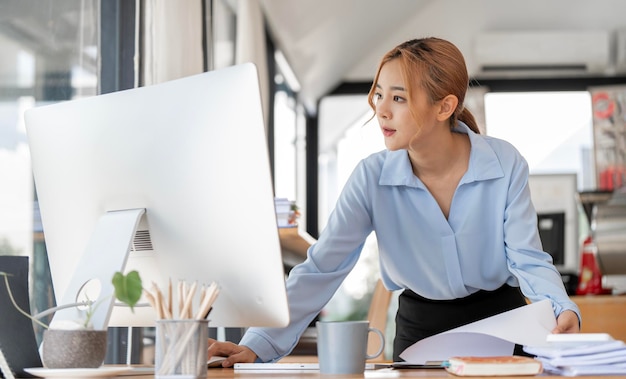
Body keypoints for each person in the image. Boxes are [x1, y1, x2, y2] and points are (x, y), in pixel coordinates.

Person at [208, 37, 581, 366]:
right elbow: (322, 268)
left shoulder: (504, 163)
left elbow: (527, 258)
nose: (381, 110)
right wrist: (258, 343)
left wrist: (562, 308)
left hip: (502, 325)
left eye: (398, 98)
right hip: (421, 332)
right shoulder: (371, 178)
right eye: (379, 93)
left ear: (444, 106)